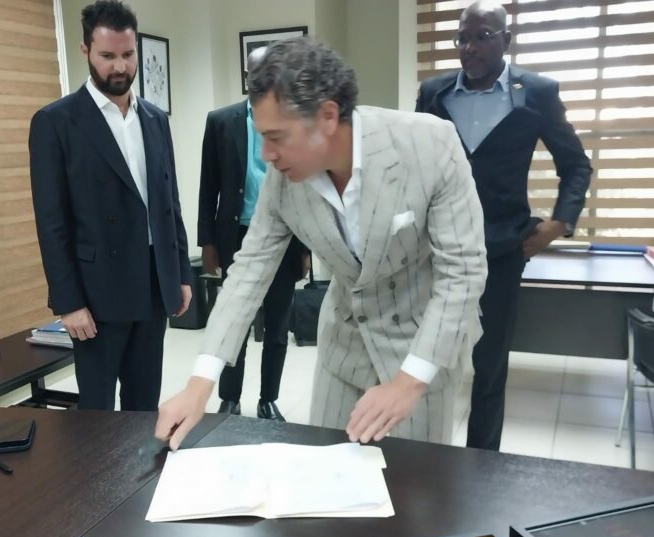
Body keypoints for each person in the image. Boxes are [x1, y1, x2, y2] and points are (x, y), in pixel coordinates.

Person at [156, 37, 487, 450]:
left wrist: (408, 381)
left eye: (277, 137)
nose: (267, 155)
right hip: (343, 349)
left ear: (328, 115)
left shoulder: (430, 145)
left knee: (414, 483)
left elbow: (462, 274)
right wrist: (199, 384)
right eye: (261, 137)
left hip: (422, 349)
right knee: (329, 476)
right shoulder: (283, 181)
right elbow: (248, 273)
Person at [416, 1, 592, 450]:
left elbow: (576, 165)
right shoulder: (434, 93)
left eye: (482, 36)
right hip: (436, 249)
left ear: (506, 40)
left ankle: (481, 463)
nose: (469, 47)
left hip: (502, 249)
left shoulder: (536, 93)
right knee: (424, 357)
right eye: (462, 38)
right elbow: (415, 165)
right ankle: (420, 453)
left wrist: (559, 223)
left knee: (489, 365)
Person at [29, 0, 192, 411]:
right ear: (85, 50)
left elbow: (168, 203)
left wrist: (180, 274)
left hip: (152, 283)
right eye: (107, 56)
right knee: (97, 414)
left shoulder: (155, 119)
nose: (120, 67)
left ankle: (143, 459)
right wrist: (68, 302)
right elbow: (51, 223)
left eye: (128, 54)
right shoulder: (56, 122)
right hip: (96, 293)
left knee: (144, 406)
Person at [197, 47, 308, 422]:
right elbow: (208, 185)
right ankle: (229, 399)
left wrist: (304, 249)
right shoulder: (221, 121)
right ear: (246, 76)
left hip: (283, 238)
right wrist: (207, 242)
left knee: (277, 326)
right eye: (254, 74)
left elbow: (304, 186)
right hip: (236, 236)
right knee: (235, 323)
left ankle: (268, 399)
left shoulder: (295, 120)